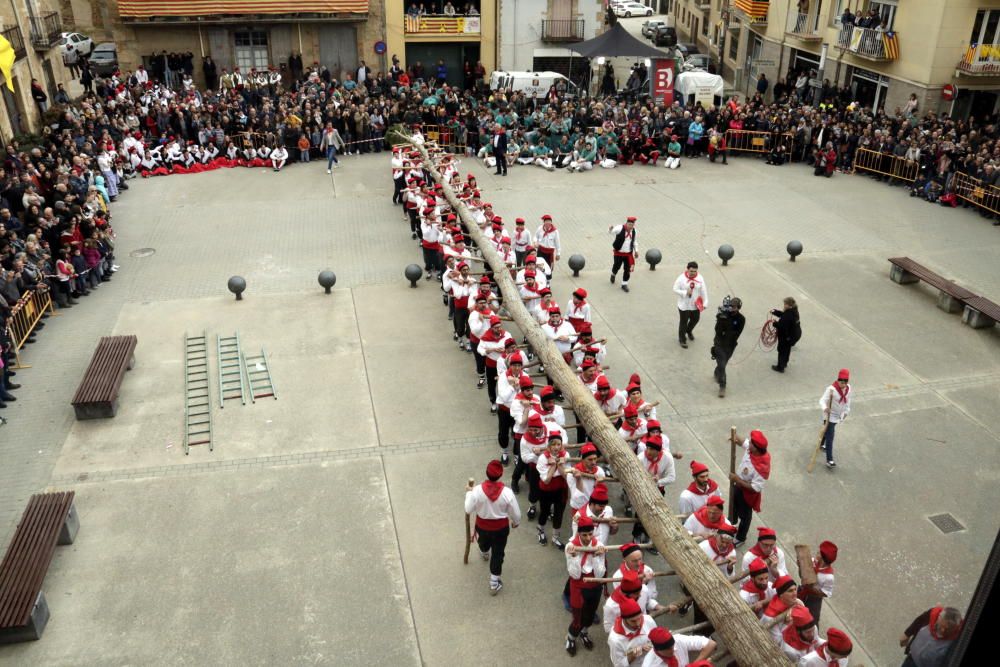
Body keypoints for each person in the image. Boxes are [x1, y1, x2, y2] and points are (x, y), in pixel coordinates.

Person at [464, 459, 521, 595]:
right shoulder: (507, 493)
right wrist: (516, 522)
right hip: (501, 529)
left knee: (483, 542)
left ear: (486, 473)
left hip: (482, 526)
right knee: (498, 553)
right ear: (500, 475)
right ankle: (494, 583)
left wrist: (469, 493)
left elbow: (468, 508)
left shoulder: (477, 491)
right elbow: (516, 513)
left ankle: (484, 552)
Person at [565, 514, 607, 655]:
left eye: (590, 534)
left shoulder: (599, 546)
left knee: (589, 615)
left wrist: (596, 556)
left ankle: (584, 633)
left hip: (594, 585)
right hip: (578, 586)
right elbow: (575, 575)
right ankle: (571, 637)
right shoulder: (570, 546)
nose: (588, 538)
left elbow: (600, 575)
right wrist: (575, 557)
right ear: (579, 533)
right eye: (584, 535)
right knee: (578, 617)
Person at [729, 429, 770, 546]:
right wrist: (735, 437)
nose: (749, 444)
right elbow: (743, 442)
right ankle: (732, 523)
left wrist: (737, 480)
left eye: (751, 443)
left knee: (745, 516)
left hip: (747, 494)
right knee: (734, 505)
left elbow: (755, 488)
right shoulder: (751, 449)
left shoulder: (762, 467)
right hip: (738, 485)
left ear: (756, 448)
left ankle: (741, 538)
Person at [711, 296, 745, 398]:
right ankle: (723, 386)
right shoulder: (723, 314)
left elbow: (737, 333)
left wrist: (727, 323)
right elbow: (717, 330)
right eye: (730, 306)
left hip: (730, 345)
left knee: (723, 364)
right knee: (722, 364)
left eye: (734, 306)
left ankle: (717, 372)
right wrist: (721, 318)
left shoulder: (741, 319)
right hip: (719, 343)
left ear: (738, 307)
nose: (732, 308)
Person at [607, 597, 657, 666]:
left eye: (639, 618)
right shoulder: (615, 640)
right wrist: (633, 655)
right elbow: (619, 665)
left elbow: (657, 639)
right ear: (624, 619)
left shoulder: (648, 620)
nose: (638, 624)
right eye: (633, 621)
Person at [797, 540, 837, 624]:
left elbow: (826, 593)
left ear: (823, 559)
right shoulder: (811, 561)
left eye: (819, 553)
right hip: (802, 592)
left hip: (814, 600)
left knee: (811, 620)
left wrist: (812, 588)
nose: (816, 553)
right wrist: (800, 567)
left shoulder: (829, 577)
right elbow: (802, 576)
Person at [819, 369, 851, 468]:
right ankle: (830, 460)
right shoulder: (831, 389)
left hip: (839, 415)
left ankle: (821, 444)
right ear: (838, 380)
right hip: (829, 416)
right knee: (831, 437)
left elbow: (848, 400)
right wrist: (825, 408)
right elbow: (822, 400)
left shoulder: (849, 388)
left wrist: (846, 411)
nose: (844, 385)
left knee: (827, 431)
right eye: (842, 382)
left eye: (846, 382)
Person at [641, 626, 716, 667]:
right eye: (667, 649)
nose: (672, 650)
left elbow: (711, 644)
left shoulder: (678, 640)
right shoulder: (649, 664)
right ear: (657, 649)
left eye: (672, 645)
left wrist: (694, 665)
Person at [674, 261, 708, 348]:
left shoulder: (700, 278)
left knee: (695, 319)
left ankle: (689, 331)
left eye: (695, 271)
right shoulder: (681, 278)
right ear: (687, 269)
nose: (693, 273)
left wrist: (705, 302)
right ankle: (682, 339)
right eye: (691, 271)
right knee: (683, 322)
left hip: (695, 304)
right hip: (684, 305)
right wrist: (685, 292)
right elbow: (675, 289)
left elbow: (703, 290)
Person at [771, 297, 801, 372]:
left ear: (788, 305)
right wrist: (775, 312)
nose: (784, 305)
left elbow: (782, 327)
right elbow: (784, 315)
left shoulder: (789, 315)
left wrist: (775, 324)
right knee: (787, 350)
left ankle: (780, 367)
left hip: (787, 337)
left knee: (782, 350)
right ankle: (784, 363)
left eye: (785, 304)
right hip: (793, 336)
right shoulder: (793, 311)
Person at [609, 216, 638, 293]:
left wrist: (636, 251)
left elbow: (634, 241)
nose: (630, 227)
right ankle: (613, 274)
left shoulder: (634, 231)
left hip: (628, 254)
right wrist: (610, 229)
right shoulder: (620, 228)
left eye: (632, 225)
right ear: (626, 223)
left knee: (627, 269)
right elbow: (611, 232)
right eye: (629, 224)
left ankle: (624, 284)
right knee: (616, 266)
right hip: (619, 252)